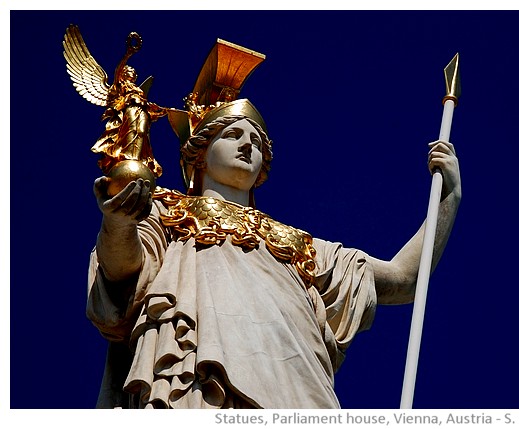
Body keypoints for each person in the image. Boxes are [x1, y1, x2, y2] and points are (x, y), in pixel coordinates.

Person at [86, 40, 461, 409]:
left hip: (296, 382)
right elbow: (121, 278)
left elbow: (405, 277)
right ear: (198, 155)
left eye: (257, 142)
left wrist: (448, 199)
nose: (247, 146)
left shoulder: (298, 247)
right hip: (199, 380)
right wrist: (119, 224)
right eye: (232, 135)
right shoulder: (167, 214)